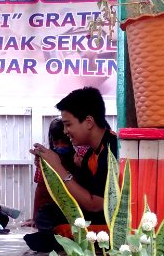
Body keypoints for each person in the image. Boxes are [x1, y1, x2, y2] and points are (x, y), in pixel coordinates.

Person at [30, 87, 117, 227]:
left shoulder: (112, 150)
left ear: (89, 122)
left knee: (48, 221)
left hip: (105, 224)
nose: (65, 131)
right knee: (47, 214)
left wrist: (58, 167)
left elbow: (94, 205)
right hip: (90, 218)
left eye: (68, 125)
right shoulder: (91, 153)